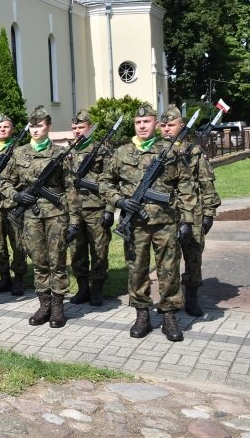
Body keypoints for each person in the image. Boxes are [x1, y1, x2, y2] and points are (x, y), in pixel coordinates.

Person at [99, 103, 196, 342]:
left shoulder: (172, 150)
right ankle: (142, 314)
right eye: (138, 122)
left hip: (166, 221)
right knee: (137, 269)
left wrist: (187, 220)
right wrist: (120, 202)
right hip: (135, 224)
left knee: (169, 270)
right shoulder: (121, 152)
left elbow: (185, 186)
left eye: (147, 122)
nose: (142, 126)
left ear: (156, 124)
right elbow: (104, 182)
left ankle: (169, 316)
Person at [0, 106, 79, 328]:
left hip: (56, 215)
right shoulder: (19, 153)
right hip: (31, 216)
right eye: (32, 126)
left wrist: (75, 220)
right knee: (39, 261)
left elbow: (71, 188)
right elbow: (2, 182)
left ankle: (58, 308)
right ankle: (44, 304)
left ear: (48, 127)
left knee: (57, 261)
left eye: (40, 126)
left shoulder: (60, 154)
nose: (35, 130)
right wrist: (16, 195)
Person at [160, 104, 221, 317]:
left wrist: (209, 213)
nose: (167, 129)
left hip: (192, 213)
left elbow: (206, 182)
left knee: (193, 258)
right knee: (167, 259)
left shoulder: (193, 151)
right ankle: (168, 298)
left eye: (171, 125)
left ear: (181, 126)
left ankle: (192, 297)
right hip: (165, 214)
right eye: (163, 125)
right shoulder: (155, 152)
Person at [67, 110, 115, 306]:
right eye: (74, 128)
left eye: (81, 127)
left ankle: (97, 289)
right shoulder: (68, 152)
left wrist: (110, 209)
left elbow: (112, 182)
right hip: (74, 210)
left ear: (90, 128)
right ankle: (82, 288)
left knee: (99, 250)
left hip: (96, 208)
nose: (77, 131)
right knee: (76, 250)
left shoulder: (102, 150)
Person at [0, 114, 27, 296]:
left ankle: (19, 278)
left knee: (18, 243)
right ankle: (4, 277)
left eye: (6, 126)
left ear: (12, 130)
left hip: (13, 205)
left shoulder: (20, 152)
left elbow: (26, 179)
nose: (2, 129)